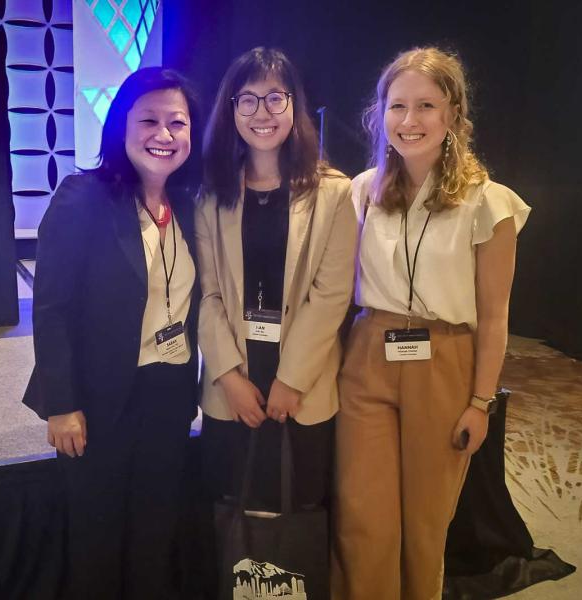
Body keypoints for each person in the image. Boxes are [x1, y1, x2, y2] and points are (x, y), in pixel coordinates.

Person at [332, 47, 531, 600]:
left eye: (426, 105)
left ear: (452, 115)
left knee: (424, 523)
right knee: (362, 513)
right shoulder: (361, 190)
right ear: (381, 114)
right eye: (397, 106)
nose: (410, 121)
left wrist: (481, 401)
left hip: (445, 360)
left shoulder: (489, 204)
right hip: (369, 354)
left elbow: (494, 317)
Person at [21, 67, 202, 600]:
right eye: (148, 120)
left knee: (154, 533)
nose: (163, 135)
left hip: (168, 397)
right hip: (96, 402)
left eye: (177, 122)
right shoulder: (84, 197)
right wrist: (62, 404)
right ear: (121, 127)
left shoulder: (190, 206)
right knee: (96, 542)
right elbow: (51, 308)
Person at [196, 46, 356, 525]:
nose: (261, 113)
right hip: (234, 381)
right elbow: (206, 295)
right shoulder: (211, 194)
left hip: (303, 384)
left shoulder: (333, 193)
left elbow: (330, 296)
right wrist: (228, 377)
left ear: (294, 106)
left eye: (274, 98)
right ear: (231, 111)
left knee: (299, 507)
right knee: (230, 506)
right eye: (247, 100)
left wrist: (290, 380)